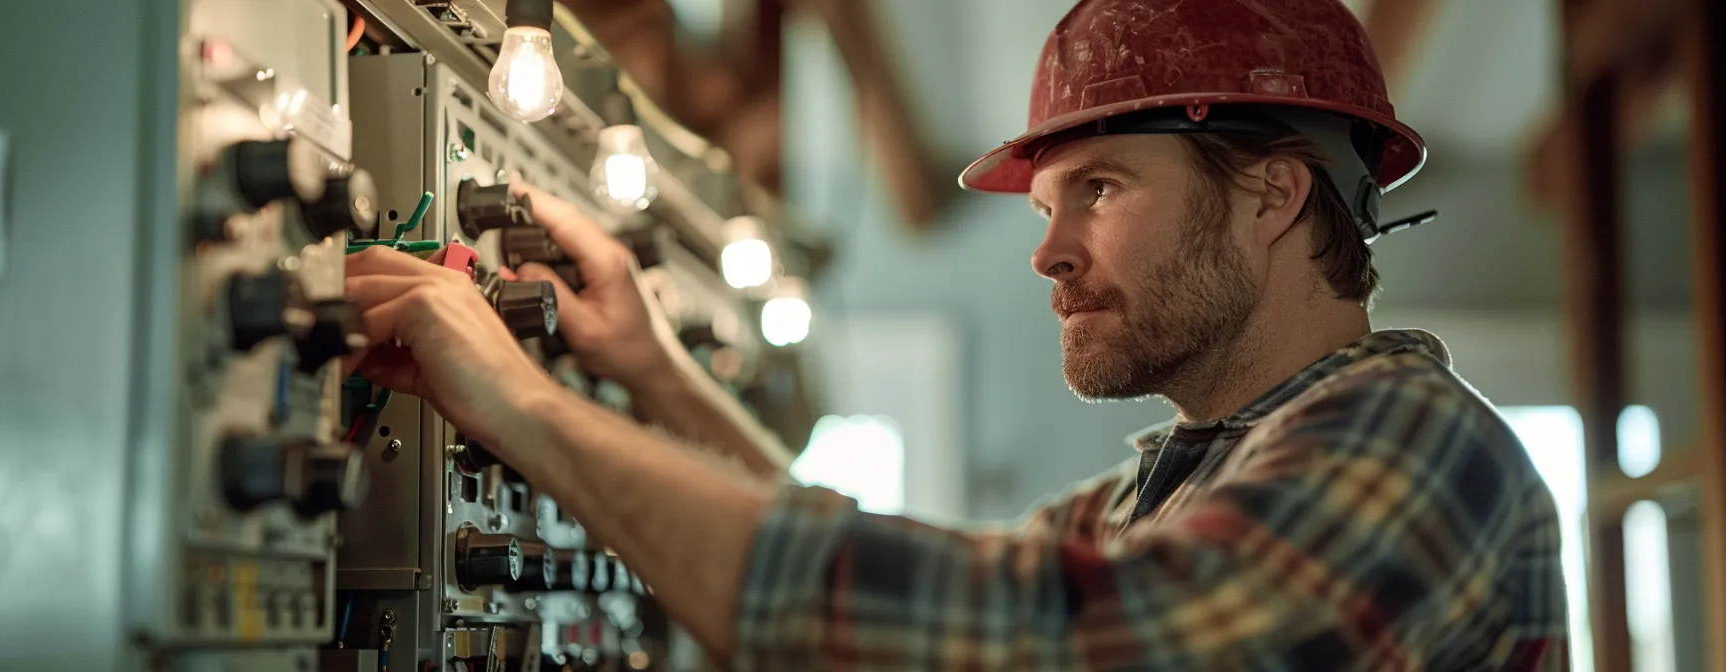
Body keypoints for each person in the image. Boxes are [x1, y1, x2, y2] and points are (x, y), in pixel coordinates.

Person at [343, 0, 1569, 668]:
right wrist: (651, 371)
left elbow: (1044, 647)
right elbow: (921, 589)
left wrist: (524, 407)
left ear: (1272, 193)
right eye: (1047, 206)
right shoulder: (1185, 481)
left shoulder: (1414, 442)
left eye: (1098, 188)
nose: (1046, 251)